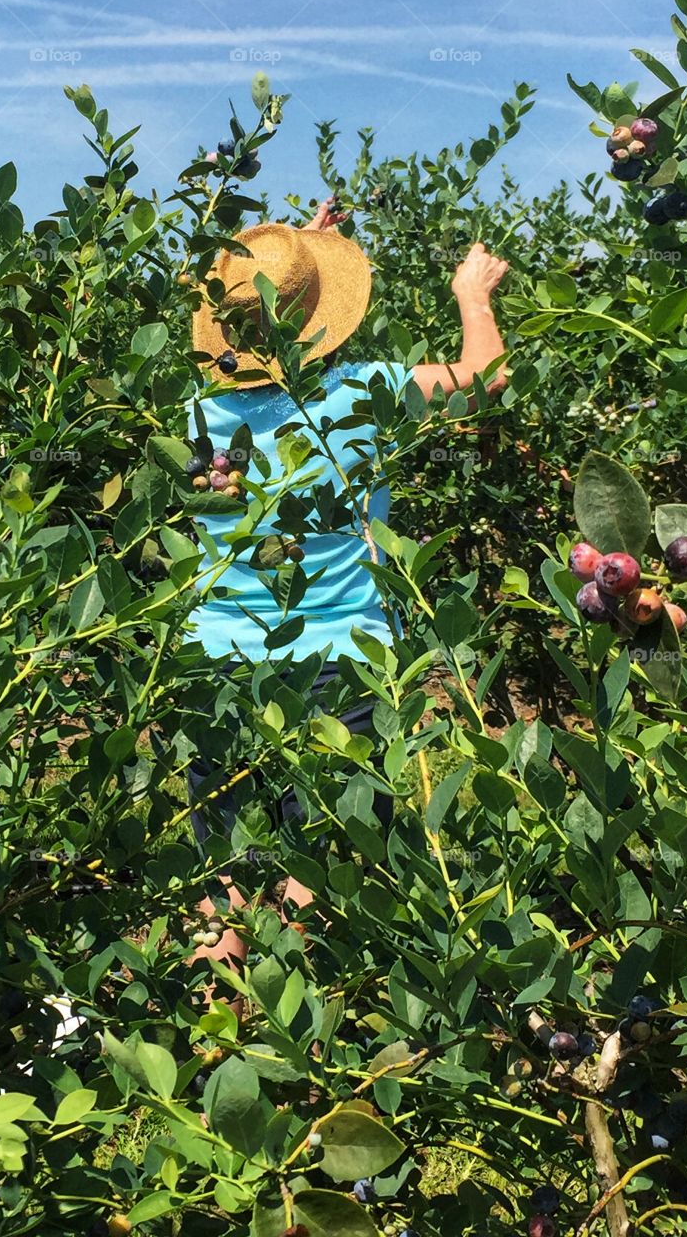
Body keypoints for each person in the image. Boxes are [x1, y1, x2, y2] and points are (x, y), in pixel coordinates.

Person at [183, 197, 509, 1014]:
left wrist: (313, 248)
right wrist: (474, 295)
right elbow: (483, 380)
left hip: (215, 654)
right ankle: (298, 1027)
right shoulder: (368, 394)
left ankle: (211, 1019)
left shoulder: (204, 415)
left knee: (225, 859)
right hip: (334, 655)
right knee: (320, 847)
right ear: (318, 320)